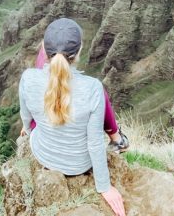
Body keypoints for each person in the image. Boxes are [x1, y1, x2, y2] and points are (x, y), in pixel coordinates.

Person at [19, 18, 126, 216]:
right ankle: (119, 139)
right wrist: (104, 187)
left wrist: (26, 129)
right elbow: (94, 143)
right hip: (79, 164)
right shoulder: (93, 88)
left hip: (43, 154)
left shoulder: (28, 77)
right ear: (79, 51)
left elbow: (25, 116)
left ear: (44, 48)